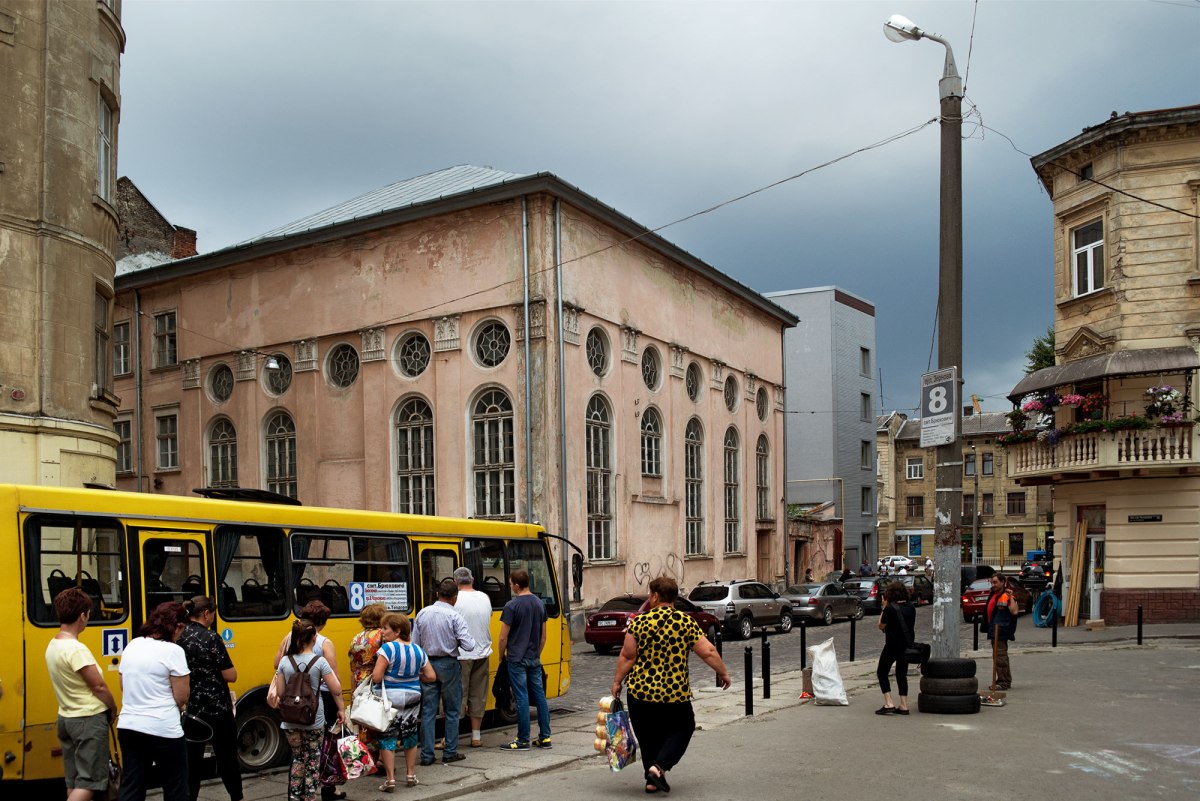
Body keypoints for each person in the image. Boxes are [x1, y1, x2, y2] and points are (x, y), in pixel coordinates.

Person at [611, 576, 731, 794]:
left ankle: (652, 775)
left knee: (648, 736)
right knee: (684, 727)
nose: (649, 598)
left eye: (650, 594)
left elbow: (627, 657)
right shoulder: (684, 622)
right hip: (674, 694)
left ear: (656, 596)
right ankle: (657, 770)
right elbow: (708, 651)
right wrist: (723, 673)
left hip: (640, 693)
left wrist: (617, 682)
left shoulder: (639, 622)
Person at [46, 587, 118, 801]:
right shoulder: (76, 649)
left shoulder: (53, 644)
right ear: (82, 616)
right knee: (89, 782)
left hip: (66, 718)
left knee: (75, 780)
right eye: (88, 613)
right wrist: (112, 708)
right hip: (87, 720)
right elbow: (99, 687)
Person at [117, 601, 191, 801]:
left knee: (132, 785)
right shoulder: (173, 651)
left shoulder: (133, 644)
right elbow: (181, 696)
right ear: (176, 626)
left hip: (129, 726)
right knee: (175, 787)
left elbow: (123, 685)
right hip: (163, 729)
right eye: (182, 629)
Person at [275, 601, 344, 801]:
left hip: (290, 720)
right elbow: (337, 689)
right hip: (314, 718)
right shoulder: (319, 661)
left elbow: (280, 692)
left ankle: (294, 796)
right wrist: (341, 708)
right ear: (313, 637)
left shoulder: (285, 662)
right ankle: (309, 797)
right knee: (313, 759)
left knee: (297, 758)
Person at [177, 596, 242, 801]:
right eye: (213, 613)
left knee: (192, 761)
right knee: (227, 759)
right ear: (206, 614)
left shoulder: (180, 636)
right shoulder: (211, 637)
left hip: (192, 707)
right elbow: (230, 675)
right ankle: (236, 797)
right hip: (216, 708)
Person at [411, 578, 475, 765]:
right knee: (452, 710)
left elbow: (415, 644)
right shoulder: (455, 616)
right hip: (448, 665)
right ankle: (450, 752)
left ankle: (427, 755)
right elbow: (469, 645)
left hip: (427, 664)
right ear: (454, 598)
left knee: (428, 711)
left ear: (438, 595)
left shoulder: (423, 613)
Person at [371, 613, 436, 791]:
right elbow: (431, 676)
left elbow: (376, 677)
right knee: (409, 734)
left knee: (387, 736)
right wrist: (414, 677)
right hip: (413, 697)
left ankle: (390, 779)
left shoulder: (388, 649)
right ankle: (410, 774)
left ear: (398, 630)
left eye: (385, 628)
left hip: (390, 699)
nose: (382, 632)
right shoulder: (418, 650)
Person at [496, 568, 550, 752]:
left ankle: (522, 740)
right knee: (540, 697)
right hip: (534, 658)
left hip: (516, 658)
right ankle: (545, 737)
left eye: (511, 583)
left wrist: (500, 656)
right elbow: (543, 637)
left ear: (517, 586)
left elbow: (503, 637)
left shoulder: (512, 606)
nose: (510, 586)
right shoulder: (539, 604)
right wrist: (536, 653)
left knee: (521, 698)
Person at [452, 567, 493, 749]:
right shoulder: (484, 597)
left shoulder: (455, 600)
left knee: (457, 695)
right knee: (478, 695)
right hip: (482, 652)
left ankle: (450, 737)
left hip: (461, 655)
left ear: (455, 582)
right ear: (473, 580)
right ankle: (476, 736)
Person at [347, 602, 387, 762]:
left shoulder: (356, 638)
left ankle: (368, 758)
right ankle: (383, 758)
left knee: (365, 719)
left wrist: (352, 690)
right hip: (376, 679)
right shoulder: (382, 636)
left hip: (359, 681)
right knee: (380, 717)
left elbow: (352, 666)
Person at [875, 581, 915, 715]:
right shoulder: (911, 606)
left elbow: (880, 625)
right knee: (901, 674)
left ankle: (889, 703)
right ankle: (904, 705)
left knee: (882, 672)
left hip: (892, 645)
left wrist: (884, 607)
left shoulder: (890, 608)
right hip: (907, 645)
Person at [985, 574, 1019, 692]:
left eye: (995, 582)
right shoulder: (994, 594)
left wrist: (1010, 597)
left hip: (1001, 630)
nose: (993, 585)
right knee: (997, 657)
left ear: (1002, 582)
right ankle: (1003, 680)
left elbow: (1014, 611)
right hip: (995, 630)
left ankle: (1003, 682)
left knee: (1000, 657)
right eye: (992, 582)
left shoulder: (1006, 595)